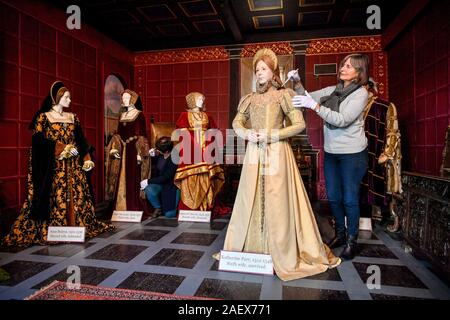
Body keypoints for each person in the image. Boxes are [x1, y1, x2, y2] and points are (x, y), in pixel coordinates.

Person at [219, 48, 340, 281]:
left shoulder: (284, 95)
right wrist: (246, 133)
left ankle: (280, 250)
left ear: (273, 71)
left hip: (277, 152)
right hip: (255, 153)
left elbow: (299, 124)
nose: (259, 73)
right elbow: (236, 121)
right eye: (256, 70)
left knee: (277, 199)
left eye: (263, 69)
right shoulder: (249, 98)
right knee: (251, 198)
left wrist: (272, 134)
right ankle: (255, 249)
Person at [2, 81, 115, 247]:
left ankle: (75, 227)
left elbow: (81, 141)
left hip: (74, 167)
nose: (70, 100)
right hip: (54, 167)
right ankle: (56, 229)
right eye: (67, 97)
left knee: (76, 196)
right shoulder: (43, 117)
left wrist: (87, 158)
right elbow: (38, 142)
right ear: (57, 98)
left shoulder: (73, 117)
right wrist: (62, 147)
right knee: (55, 196)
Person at [289, 53, 370, 260]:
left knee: (350, 199)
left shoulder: (360, 93)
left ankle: (352, 240)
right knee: (334, 197)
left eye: (349, 66)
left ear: (359, 72)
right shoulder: (333, 90)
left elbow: (342, 120)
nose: (343, 68)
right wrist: (296, 81)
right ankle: (340, 235)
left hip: (353, 154)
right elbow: (306, 95)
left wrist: (314, 106)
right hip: (332, 153)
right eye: (343, 65)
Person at [173, 92, 224, 212]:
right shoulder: (185, 115)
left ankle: (206, 206)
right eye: (199, 99)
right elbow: (183, 134)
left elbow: (213, 133)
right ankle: (191, 208)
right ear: (192, 101)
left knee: (207, 176)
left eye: (202, 99)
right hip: (190, 152)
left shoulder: (207, 116)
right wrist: (197, 151)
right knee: (192, 177)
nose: (202, 101)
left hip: (207, 151)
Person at [105, 89, 151, 218]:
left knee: (133, 177)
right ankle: (119, 207)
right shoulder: (121, 115)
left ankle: (133, 205)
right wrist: (114, 148)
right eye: (123, 98)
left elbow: (142, 136)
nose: (123, 100)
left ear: (133, 100)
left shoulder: (139, 115)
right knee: (119, 176)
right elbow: (118, 135)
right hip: (122, 150)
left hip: (133, 151)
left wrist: (139, 153)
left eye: (126, 98)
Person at [140, 137, 180, 218]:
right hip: (161, 184)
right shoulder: (161, 156)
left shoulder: (175, 158)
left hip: (172, 187)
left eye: (158, 149)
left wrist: (148, 181)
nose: (156, 150)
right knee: (149, 189)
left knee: (169, 215)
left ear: (167, 151)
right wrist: (153, 157)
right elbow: (158, 168)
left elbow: (166, 177)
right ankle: (158, 208)